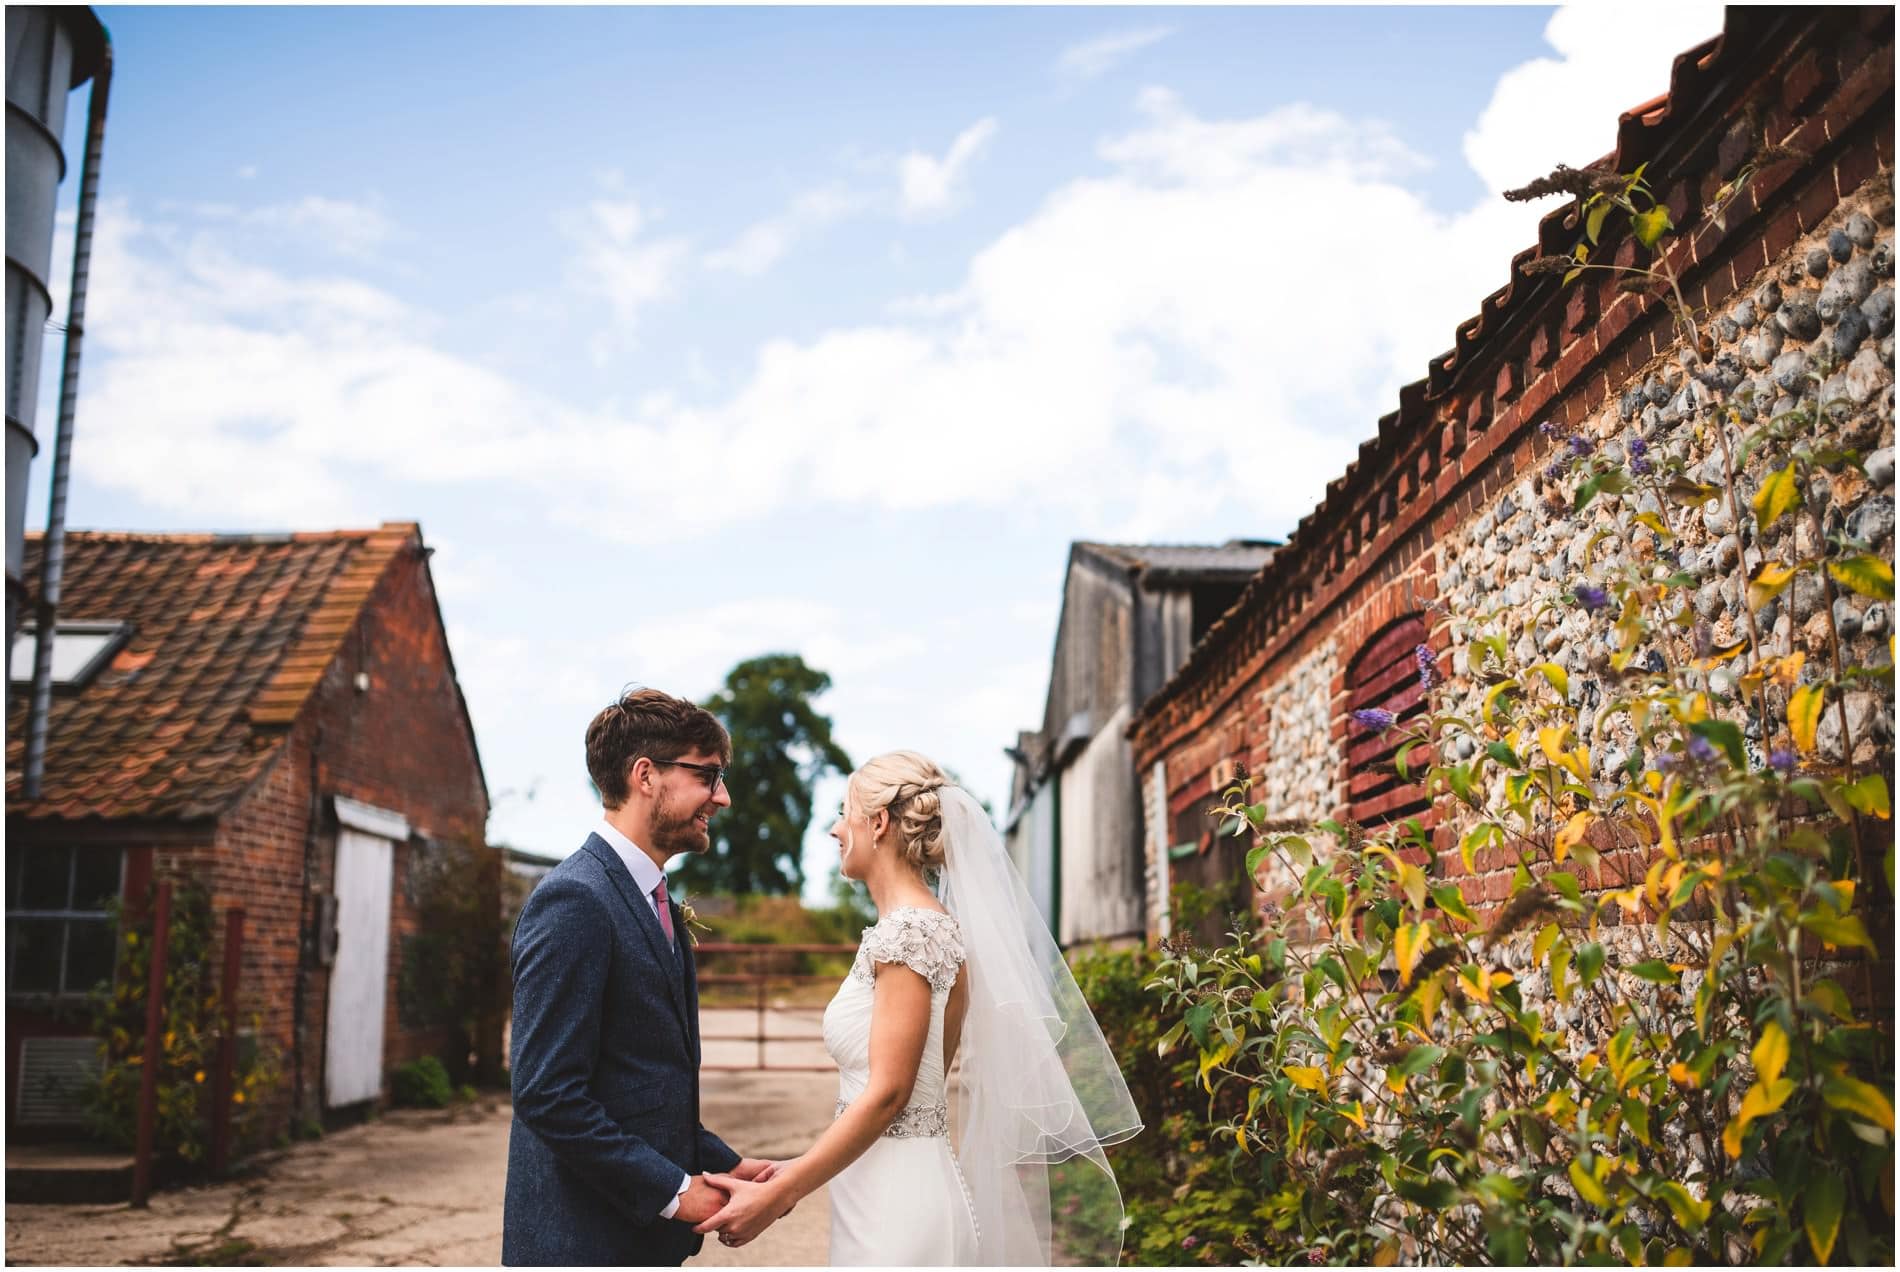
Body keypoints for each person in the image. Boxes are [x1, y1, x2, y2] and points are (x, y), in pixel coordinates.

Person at [693, 750, 1143, 1265]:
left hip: (897, 1200)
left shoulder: (912, 934)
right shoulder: (926, 930)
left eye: (844, 813)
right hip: (883, 1182)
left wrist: (784, 1191)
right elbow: (921, 1079)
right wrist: (790, 1167)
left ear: (878, 823)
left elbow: (891, 1093)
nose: (836, 830)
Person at [503, 687, 777, 1266]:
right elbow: (547, 1094)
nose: (722, 798)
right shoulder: (575, 900)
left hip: (636, 1243)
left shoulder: (656, 900)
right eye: (708, 775)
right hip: (583, 1243)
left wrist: (723, 1163)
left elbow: (637, 1079)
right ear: (645, 775)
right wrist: (677, 1194)